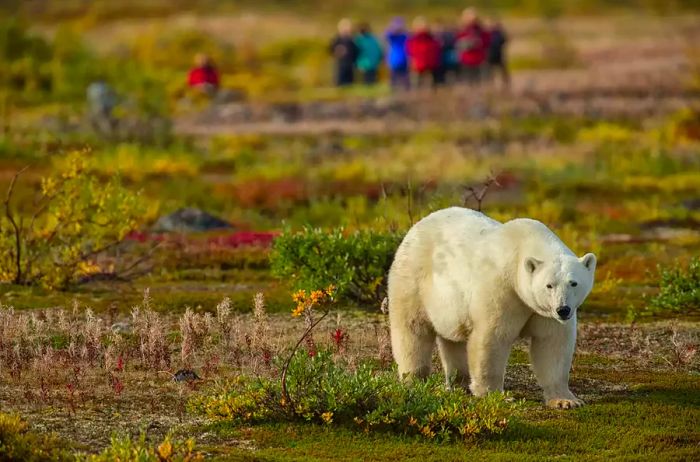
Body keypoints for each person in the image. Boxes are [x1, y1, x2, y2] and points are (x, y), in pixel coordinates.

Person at [455, 8, 490, 84]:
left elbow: (486, 40)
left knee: (477, 78)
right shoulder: (462, 29)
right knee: (467, 78)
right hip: (466, 58)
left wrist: (478, 42)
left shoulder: (480, 29)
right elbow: (457, 41)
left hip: (478, 57)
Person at [406, 17, 441, 89]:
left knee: (429, 84)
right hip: (417, 66)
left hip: (429, 66)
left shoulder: (431, 39)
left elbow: (435, 51)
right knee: (416, 84)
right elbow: (410, 52)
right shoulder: (413, 39)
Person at [330, 18, 359, 87]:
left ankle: (349, 87)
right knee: (340, 77)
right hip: (341, 61)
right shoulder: (337, 39)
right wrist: (337, 50)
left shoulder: (352, 39)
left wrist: (355, 58)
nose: (346, 30)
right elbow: (331, 49)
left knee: (349, 78)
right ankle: (340, 87)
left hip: (350, 61)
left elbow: (356, 50)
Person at [384, 16, 410, 91]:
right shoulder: (392, 36)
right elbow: (387, 35)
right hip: (394, 60)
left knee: (404, 77)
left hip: (403, 59)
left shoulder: (404, 35)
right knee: (394, 77)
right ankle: (394, 90)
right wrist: (393, 28)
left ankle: (406, 91)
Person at [433, 19, 459, 85]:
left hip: (446, 59)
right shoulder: (432, 36)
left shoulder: (448, 36)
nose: (438, 28)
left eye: (440, 27)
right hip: (436, 60)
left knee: (448, 74)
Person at [487, 19, 510, 88]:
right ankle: (492, 84)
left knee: (502, 71)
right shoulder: (489, 34)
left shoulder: (500, 33)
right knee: (492, 71)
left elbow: (505, 41)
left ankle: (505, 84)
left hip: (499, 54)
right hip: (492, 55)